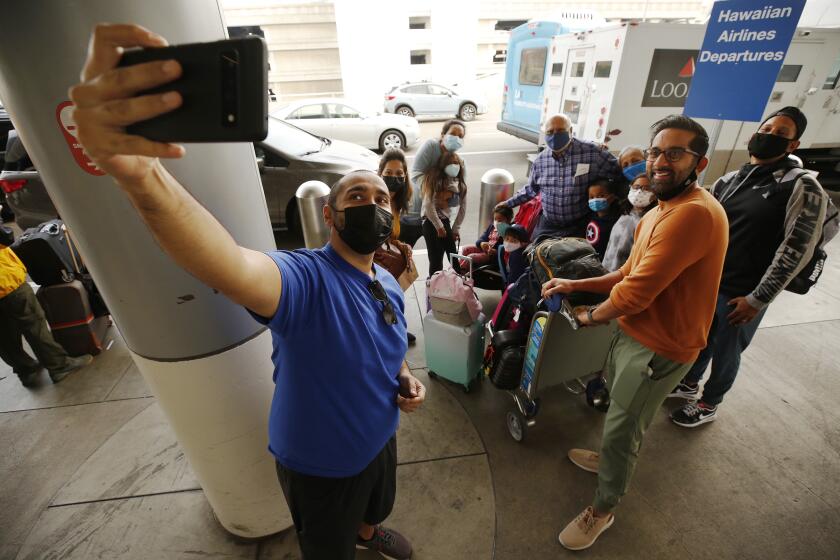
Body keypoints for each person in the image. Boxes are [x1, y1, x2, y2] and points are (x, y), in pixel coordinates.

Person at [70, 24, 425, 560]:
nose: (373, 204)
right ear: (330, 215)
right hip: (322, 467)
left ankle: (370, 531)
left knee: (376, 506)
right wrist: (144, 180)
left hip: (380, 439)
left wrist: (404, 381)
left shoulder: (385, 280)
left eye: (381, 197)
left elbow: (389, 347)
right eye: (357, 194)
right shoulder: (307, 280)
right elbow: (229, 265)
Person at [541, 115, 728, 550]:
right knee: (619, 416)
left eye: (675, 153)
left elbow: (633, 294)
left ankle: (603, 509)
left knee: (626, 429)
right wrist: (577, 284)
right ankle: (608, 459)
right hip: (633, 335)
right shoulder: (660, 210)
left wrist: (588, 318)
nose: (661, 162)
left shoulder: (694, 215)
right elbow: (628, 272)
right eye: (656, 151)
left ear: (699, 163)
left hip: (660, 347)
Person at [669, 106, 830, 427]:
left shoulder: (802, 187)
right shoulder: (731, 179)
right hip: (711, 283)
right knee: (703, 339)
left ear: (793, 145)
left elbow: (797, 248)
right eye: (767, 129)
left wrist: (758, 299)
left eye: (781, 134)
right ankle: (689, 384)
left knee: (728, 352)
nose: (769, 135)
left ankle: (709, 402)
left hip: (745, 291)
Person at [496, 114, 623, 240]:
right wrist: (508, 203)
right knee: (533, 256)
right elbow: (531, 189)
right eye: (550, 132)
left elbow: (619, 172)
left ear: (571, 131)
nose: (555, 135)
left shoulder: (592, 152)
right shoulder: (540, 161)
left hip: (580, 225)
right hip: (548, 225)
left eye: (560, 130)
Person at [1, 226, 93, 386]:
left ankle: (26, 370)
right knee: (34, 324)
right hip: (5, 281)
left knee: (3, 336)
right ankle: (59, 366)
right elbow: (5, 237)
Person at [375, 149, 418, 345]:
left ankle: (397, 327)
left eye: (399, 174)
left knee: (394, 295)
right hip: (371, 260)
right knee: (385, 297)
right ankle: (390, 333)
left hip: (385, 256)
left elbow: (390, 235)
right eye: (389, 173)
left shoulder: (396, 201)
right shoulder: (375, 199)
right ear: (380, 172)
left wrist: (399, 244)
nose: (394, 178)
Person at [401, 119, 466, 246]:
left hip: (438, 220)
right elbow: (415, 173)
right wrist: (434, 193)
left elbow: (459, 196)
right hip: (414, 214)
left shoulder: (459, 161)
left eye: (460, 136)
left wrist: (450, 197)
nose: (457, 138)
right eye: (453, 134)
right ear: (443, 135)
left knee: (436, 260)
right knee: (403, 256)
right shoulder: (431, 146)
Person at [421, 151, 467, 276]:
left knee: (452, 258)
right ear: (443, 166)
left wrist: (456, 228)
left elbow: (463, 208)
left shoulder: (461, 185)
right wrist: (439, 226)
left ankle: (457, 287)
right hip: (431, 222)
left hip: (445, 222)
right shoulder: (435, 181)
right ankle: (433, 290)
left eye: (456, 163)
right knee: (436, 261)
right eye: (450, 163)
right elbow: (428, 205)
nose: (454, 165)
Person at [601, 174, 657, 272]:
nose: (640, 191)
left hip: (626, 276)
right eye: (636, 187)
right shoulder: (625, 214)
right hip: (607, 270)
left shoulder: (651, 220)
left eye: (647, 188)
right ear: (630, 188)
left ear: (655, 194)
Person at [585, 178, 624, 260]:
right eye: (591, 197)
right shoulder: (590, 217)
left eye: (600, 196)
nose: (595, 200)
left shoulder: (616, 221)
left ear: (612, 197)